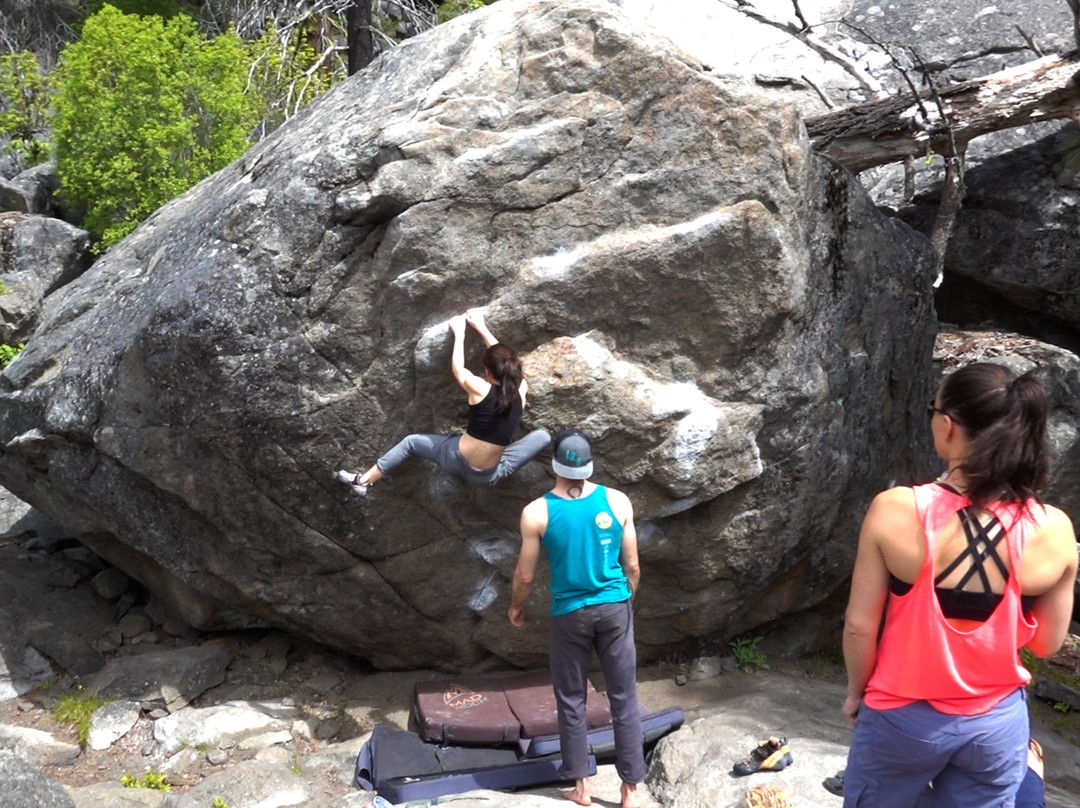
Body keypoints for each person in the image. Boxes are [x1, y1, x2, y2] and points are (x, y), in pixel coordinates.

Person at [841, 362, 1077, 807]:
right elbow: (1047, 643)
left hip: (901, 717)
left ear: (947, 426)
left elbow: (858, 626)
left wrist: (858, 693)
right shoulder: (1055, 528)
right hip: (995, 725)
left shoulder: (895, 510)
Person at [508, 429, 646, 808]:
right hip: (614, 607)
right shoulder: (617, 502)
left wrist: (516, 606)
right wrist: (623, 600)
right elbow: (631, 564)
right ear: (589, 464)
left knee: (571, 699)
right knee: (623, 695)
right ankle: (630, 790)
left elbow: (524, 575)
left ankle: (582, 787)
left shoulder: (537, 512)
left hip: (570, 615)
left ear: (553, 463)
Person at [336, 309, 550, 494]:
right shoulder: (521, 391)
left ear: (487, 372)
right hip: (487, 476)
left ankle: (363, 481)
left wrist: (460, 333)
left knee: (411, 442)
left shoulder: (480, 389)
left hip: (454, 458)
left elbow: (459, 369)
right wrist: (482, 327)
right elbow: (506, 364)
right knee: (542, 436)